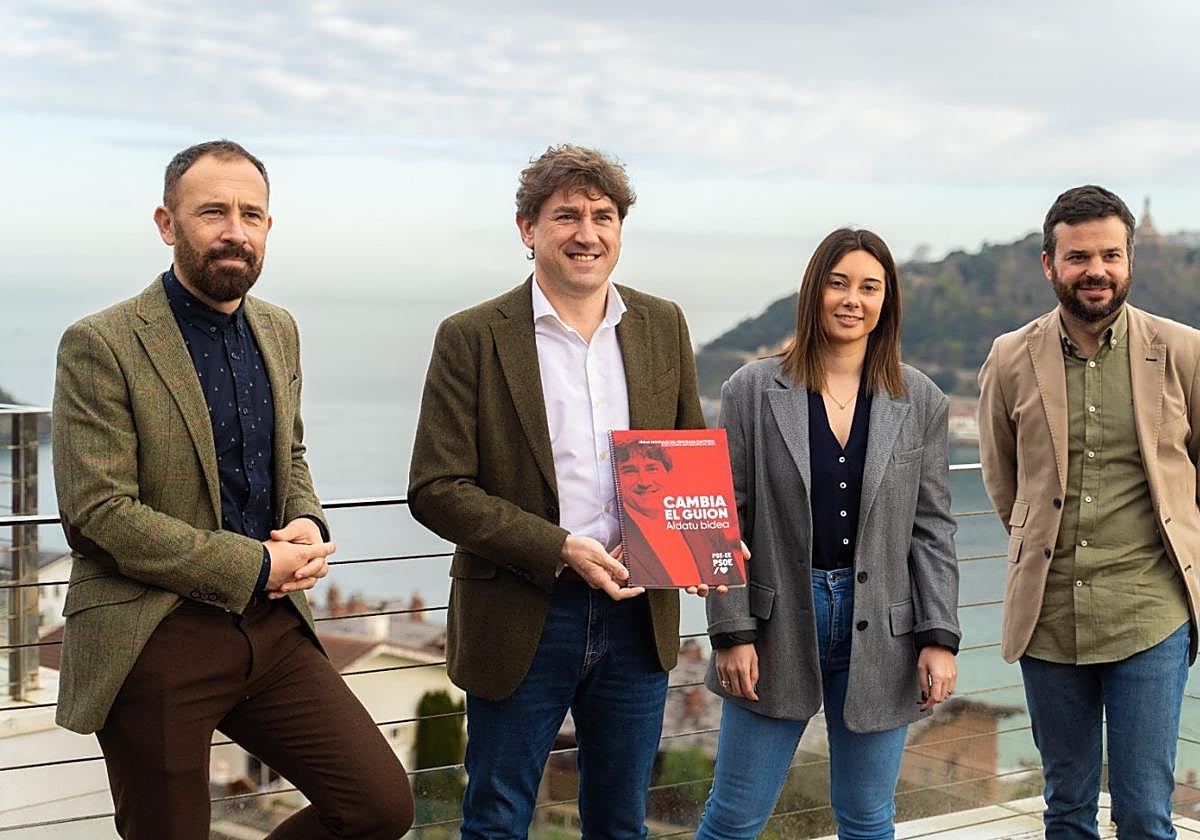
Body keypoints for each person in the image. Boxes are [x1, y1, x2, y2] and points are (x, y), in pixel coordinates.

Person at [52, 140, 412, 839]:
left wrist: (305, 520)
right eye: (212, 211)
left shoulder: (278, 329)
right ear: (167, 224)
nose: (234, 231)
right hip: (154, 632)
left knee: (378, 807)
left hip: (270, 628)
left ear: (269, 228)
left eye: (251, 214)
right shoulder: (101, 342)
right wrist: (254, 564)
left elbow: (291, 455)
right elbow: (98, 515)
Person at [408, 144, 708, 837]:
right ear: (527, 229)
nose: (587, 232)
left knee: (621, 824)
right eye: (566, 214)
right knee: (497, 821)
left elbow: (687, 451)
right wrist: (559, 547)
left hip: (639, 612)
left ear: (620, 231)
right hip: (523, 611)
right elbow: (435, 487)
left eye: (604, 216)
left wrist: (697, 537)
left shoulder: (662, 324)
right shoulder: (472, 337)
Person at [696, 228, 960, 839]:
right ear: (814, 291)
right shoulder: (752, 390)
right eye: (838, 283)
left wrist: (939, 637)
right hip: (775, 620)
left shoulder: (919, 398)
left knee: (868, 818)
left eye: (870, 287)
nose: (852, 299)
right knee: (734, 817)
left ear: (886, 301)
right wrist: (731, 630)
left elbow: (933, 528)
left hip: (885, 630)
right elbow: (720, 513)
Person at [978, 185, 1200, 839]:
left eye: (1109, 254)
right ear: (1050, 264)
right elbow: (1002, 479)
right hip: (1047, 619)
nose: (1095, 270)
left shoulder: (1184, 352)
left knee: (1143, 813)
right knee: (1067, 810)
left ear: (1131, 260)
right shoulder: (1010, 356)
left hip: (1150, 615)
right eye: (1078, 257)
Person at [613, 440, 745, 587]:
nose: (644, 481)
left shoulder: (707, 528)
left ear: (668, 473)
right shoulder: (617, 537)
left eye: (652, 468)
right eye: (629, 471)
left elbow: (730, 582)